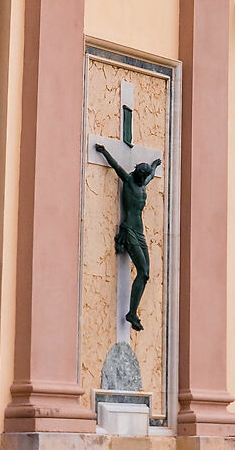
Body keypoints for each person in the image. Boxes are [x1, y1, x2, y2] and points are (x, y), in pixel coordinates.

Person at [95, 141, 161, 330]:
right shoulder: (130, 181)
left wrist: (155, 165)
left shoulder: (143, 184)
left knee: (146, 273)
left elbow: (151, 176)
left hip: (140, 233)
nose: (144, 180)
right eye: (142, 176)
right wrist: (104, 151)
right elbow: (115, 166)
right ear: (137, 174)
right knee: (143, 271)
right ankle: (132, 313)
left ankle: (133, 311)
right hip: (130, 230)